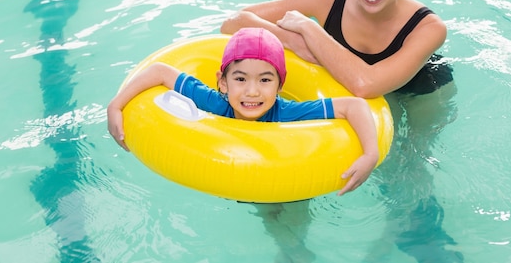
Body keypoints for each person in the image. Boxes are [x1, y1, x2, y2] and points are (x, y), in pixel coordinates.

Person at [221, 0, 460, 262]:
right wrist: (294, 40)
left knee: (405, 173)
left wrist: (312, 32)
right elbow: (234, 22)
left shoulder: (429, 27)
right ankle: (292, 247)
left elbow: (366, 84)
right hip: (350, 85)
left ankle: (387, 245)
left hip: (419, 93)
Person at [107, 27, 380, 196]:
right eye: (240, 79)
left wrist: (370, 154)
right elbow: (160, 71)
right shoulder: (215, 102)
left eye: (265, 80)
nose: (252, 92)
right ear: (222, 82)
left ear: (279, 86)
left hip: (286, 177)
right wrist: (116, 105)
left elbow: (354, 105)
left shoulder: (287, 113)